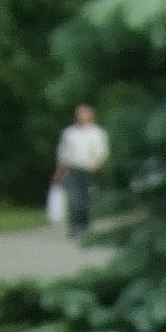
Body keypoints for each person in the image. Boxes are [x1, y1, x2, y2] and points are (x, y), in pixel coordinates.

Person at [54, 102, 109, 241]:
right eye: (79, 113)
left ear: (91, 115)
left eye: (84, 113)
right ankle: (75, 227)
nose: (82, 116)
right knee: (73, 200)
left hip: (89, 170)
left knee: (86, 200)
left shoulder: (97, 133)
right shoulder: (69, 133)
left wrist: (96, 167)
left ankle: (85, 227)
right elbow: (63, 153)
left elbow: (102, 153)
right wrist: (59, 172)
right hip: (72, 169)